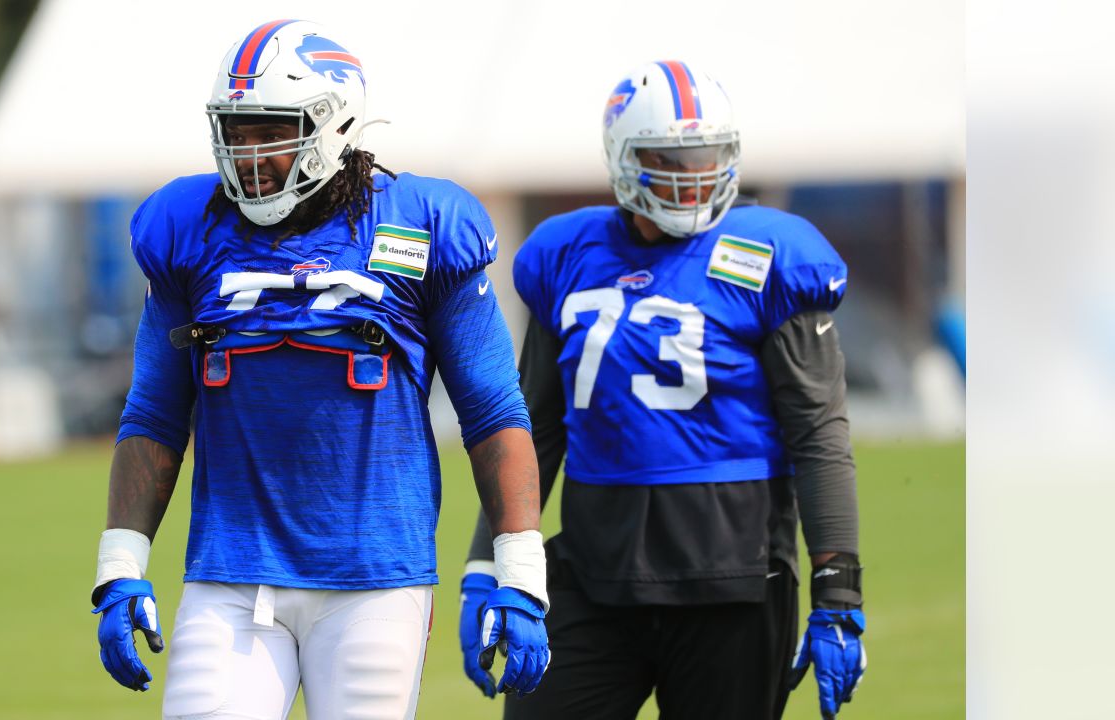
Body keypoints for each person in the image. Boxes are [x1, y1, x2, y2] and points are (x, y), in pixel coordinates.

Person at [88, 20, 550, 720]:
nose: (248, 154)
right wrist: (120, 565)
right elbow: (154, 411)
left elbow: (493, 412)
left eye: (269, 129)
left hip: (375, 582)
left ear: (332, 127)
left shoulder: (420, 223)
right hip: (230, 576)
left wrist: (518, 573)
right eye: (235, 132)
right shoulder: (187, 227)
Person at [459, 60, 866, 719]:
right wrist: (490, 563)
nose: (692, 175)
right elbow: (531, 427)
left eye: (706, 156)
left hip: (732, 581)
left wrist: (838, 589)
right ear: (622, 159)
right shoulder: (565, 252)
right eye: (669, 160)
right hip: (593, 572)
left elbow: (818, 432)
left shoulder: (771, 255)